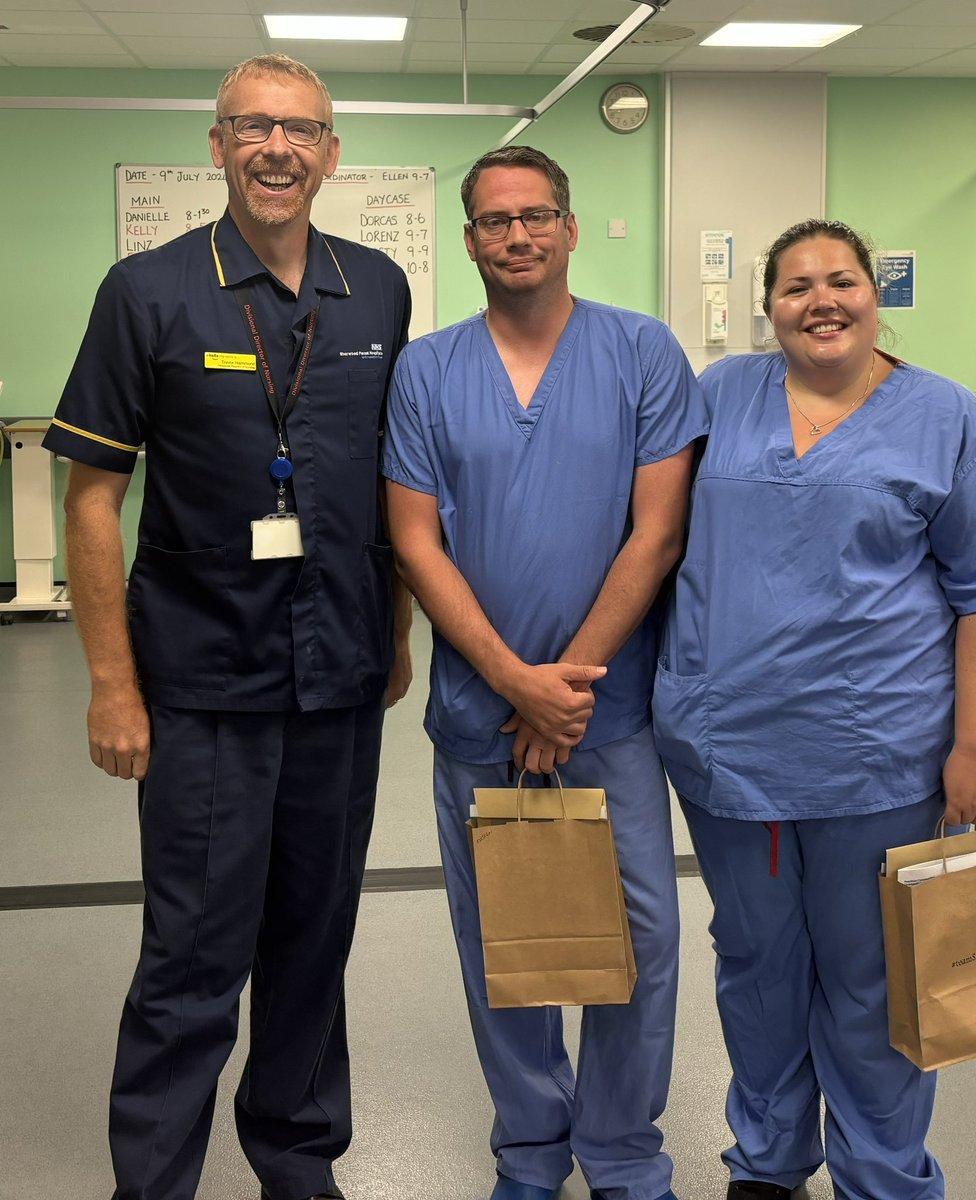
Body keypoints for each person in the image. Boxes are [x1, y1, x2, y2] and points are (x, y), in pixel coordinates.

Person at [44, 54, 411, 1200]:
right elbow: (93, 494)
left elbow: (393, 486)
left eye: (301, 131)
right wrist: (112, 682)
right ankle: (153, 1181)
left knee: (314, 940)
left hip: (341, 675)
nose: (277, 150)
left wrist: (394, 636)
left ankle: (297, 1159)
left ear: (332, 154)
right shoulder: (146, 290)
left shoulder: (379, 289)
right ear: (215, 146)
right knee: (194, 953)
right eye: (253, 127)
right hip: (201, 682)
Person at [652, 218, 976, 1200]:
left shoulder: (948, 420)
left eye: (839, 281)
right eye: (794, 286)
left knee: (875, 984)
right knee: (754, 970)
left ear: (874, 294)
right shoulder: (719, 396)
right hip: (727, 756)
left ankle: (882, 1174)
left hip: (878, 757)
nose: (819, 301)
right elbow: (655, 539)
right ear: (768, 306)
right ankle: (770, 1162)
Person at [382, 145, 705, 1200]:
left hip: (603, 715)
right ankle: (528, 1147)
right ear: (468, 238)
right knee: (503, 942)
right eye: (491, 221)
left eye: (534, 216)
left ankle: (620, 1151)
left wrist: (562, 688)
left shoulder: (641, 353)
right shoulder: (427, 368)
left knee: (640, 941)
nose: (514, 236)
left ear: (568, 228)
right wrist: (514, 683)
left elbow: (655, 536)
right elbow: (415, 542)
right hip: (482, 715)